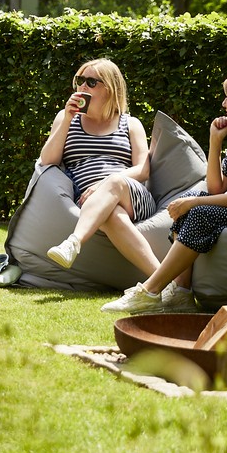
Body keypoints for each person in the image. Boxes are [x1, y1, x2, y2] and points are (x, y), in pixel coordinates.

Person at [101, 68, 227, 314]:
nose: (224, 103)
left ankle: (150, 291)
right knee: (187, 202)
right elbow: (216, 187)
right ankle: (181, 294)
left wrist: (195, 203)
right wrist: (215, 141)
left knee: (198, 211)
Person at [41, 58, 167, 284]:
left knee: (114, 184)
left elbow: (142, 169)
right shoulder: (66, 118)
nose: (82, 88)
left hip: (132, 195)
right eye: (80, 81)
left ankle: (74, 242)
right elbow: (48, 160)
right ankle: (165, 285)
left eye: (91, 82)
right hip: (92, 201)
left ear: (110, 88)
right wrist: (67, 119)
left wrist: (106, 182)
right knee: (111, 215)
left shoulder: (130, 123)